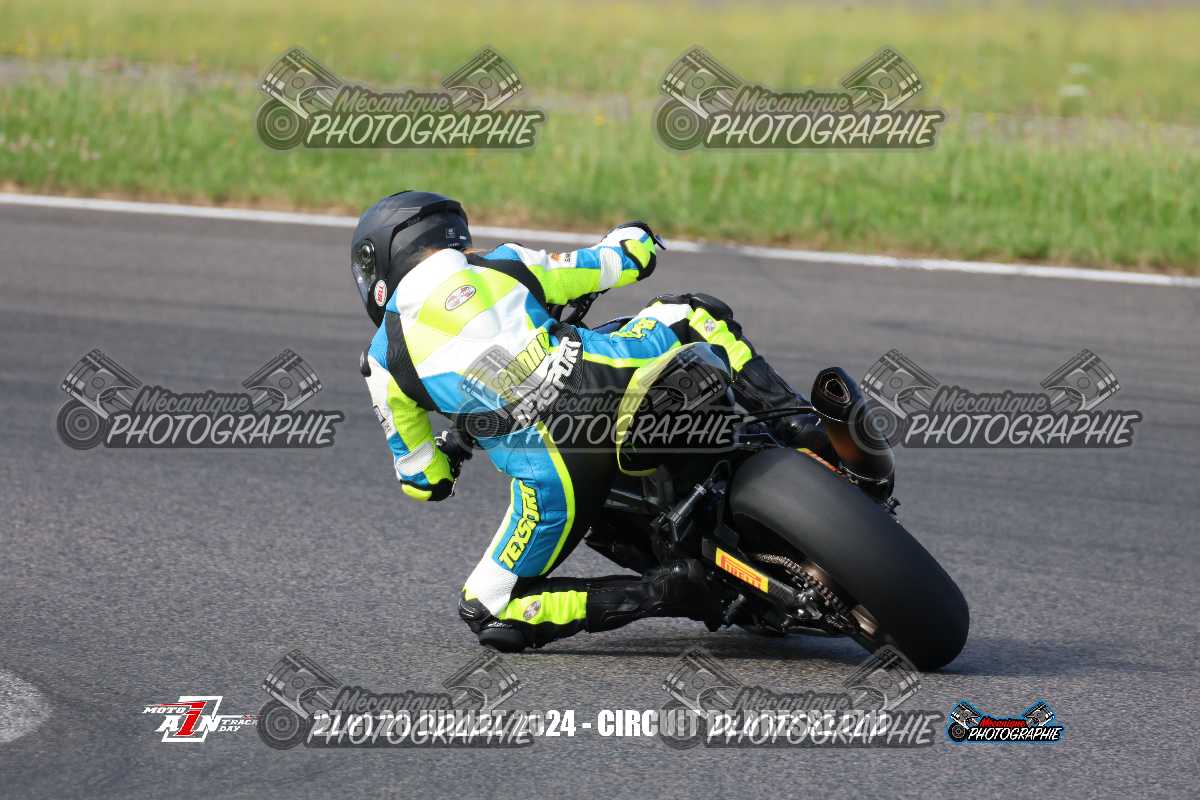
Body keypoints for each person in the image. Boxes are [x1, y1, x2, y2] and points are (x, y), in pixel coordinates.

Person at [352, 190, 840, 652]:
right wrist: (634, 235)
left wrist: (447, 459)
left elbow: (424, 481)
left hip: (557, 472)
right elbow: (620, 261)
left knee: (489, 607)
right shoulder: (503, 262)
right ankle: (799, 422)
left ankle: (665, 590)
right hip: (613, 378)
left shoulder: (382, 360)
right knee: (691, 313)